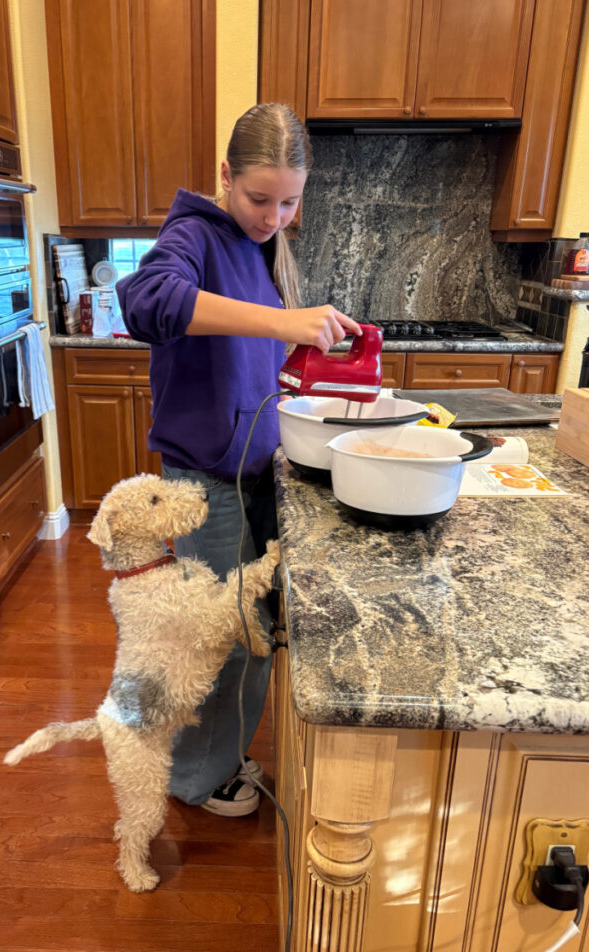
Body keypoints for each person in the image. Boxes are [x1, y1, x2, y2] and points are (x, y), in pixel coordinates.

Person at [116, 103, 361, 816]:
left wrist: (302, 349)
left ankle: (217, 756)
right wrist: (284, 320)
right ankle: (194, 777)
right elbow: (148, 302)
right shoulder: (192, 233)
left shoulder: (261, 250)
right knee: (222, 639)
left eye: (289, 201)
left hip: (255, 473)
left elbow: (245, 359)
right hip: (205, 482)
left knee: (252, 631)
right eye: (259, 197)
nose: (273, 215)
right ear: (225, 175)